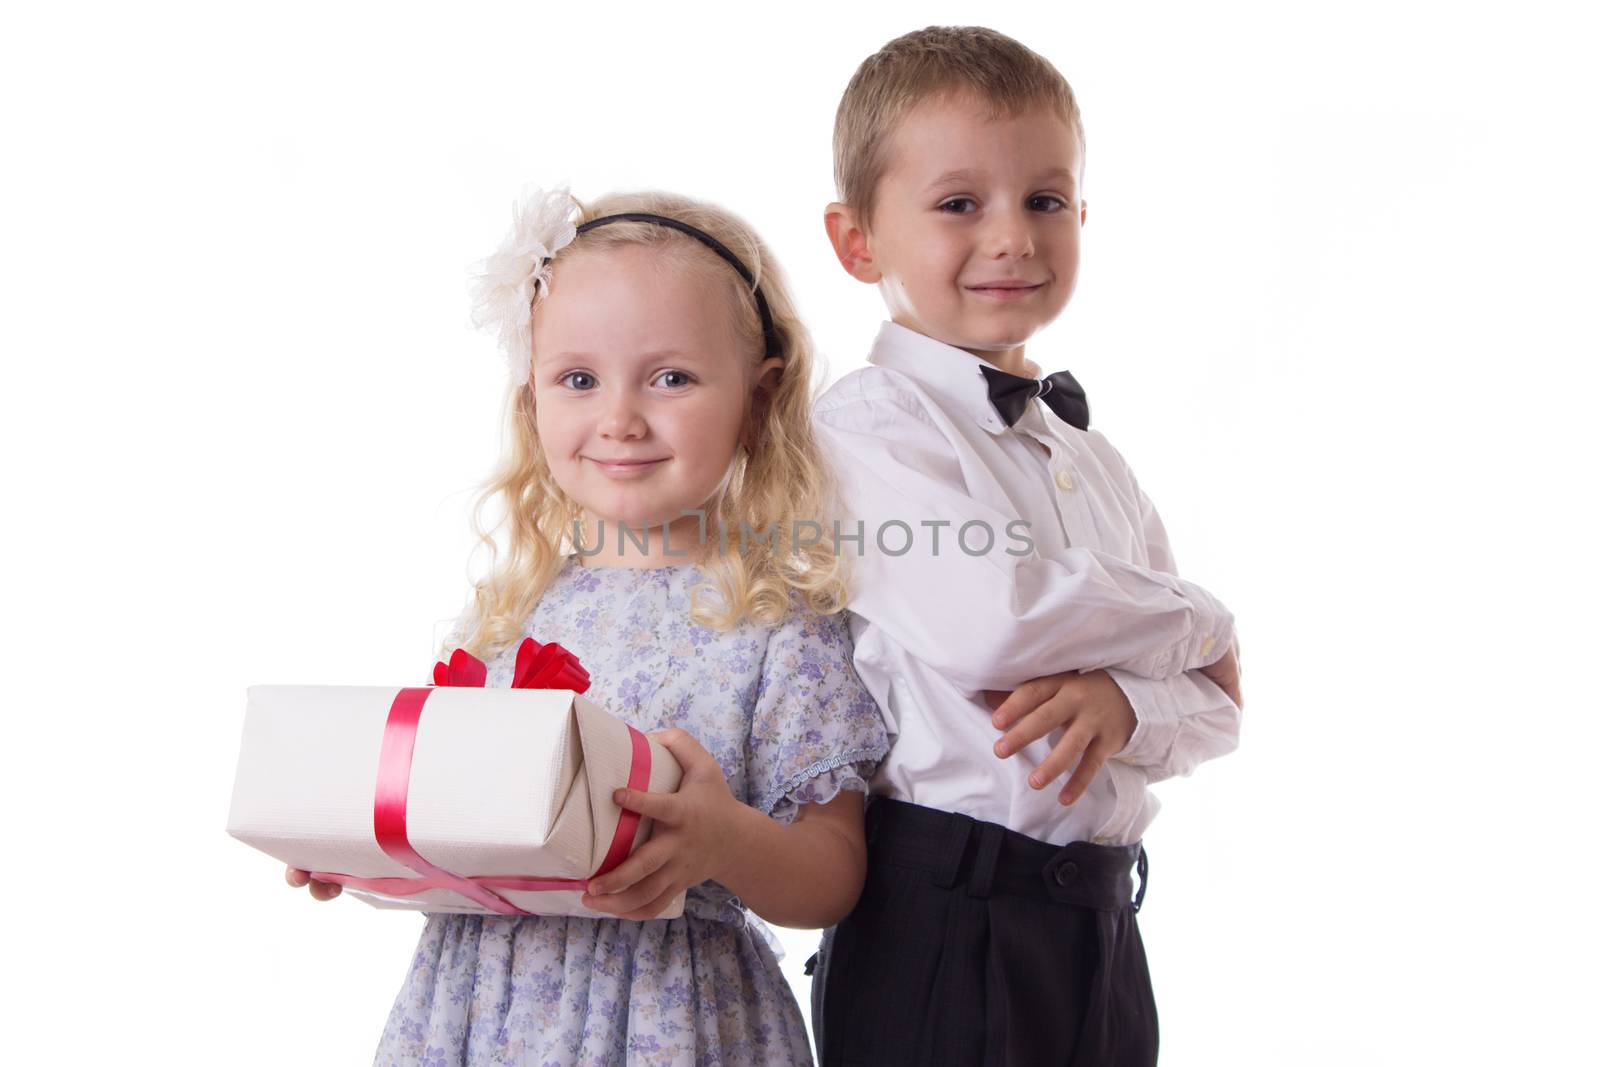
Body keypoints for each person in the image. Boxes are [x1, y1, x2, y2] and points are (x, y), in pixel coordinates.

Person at [287, 186, 889, 1067]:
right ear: (531, 397)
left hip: (670, 1016)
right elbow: (471, 827)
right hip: (480, 1008)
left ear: (757, 401)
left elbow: (835, 872)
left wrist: (726, 840)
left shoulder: (780, 627)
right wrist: (367, 844)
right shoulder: (509, 613)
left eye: (671, 377)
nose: (619, 417)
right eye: (578, 378)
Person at [807, 27, 1244, 1066]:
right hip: (949, 915)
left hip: (1098, 917)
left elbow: (1218, 710)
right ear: (857, 240)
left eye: (1044, 200)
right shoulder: (867, 425)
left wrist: (1128, 701)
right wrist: (1201, 616)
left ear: (1082, 216)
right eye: (959, 204)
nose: (1012, 236)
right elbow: (997, 622)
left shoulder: (1091, 457)